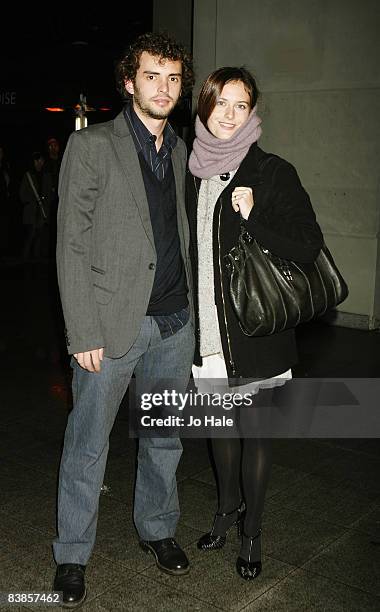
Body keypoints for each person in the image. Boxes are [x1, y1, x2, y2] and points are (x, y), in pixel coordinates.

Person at [53, 32, 195, 607]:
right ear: (130, 82)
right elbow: (71, 243)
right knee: (88, 444)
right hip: (112, 324)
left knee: (165, 438)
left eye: (173, 78)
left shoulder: (182, 150)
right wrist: (81, 330)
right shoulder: (93, 147)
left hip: (176, 324)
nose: (163, 87)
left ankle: (158, 529)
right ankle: (71, 555)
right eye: (152, 76)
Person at [186, 67, 324, 581]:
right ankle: (225, 512)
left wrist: (255, 216)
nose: (228, 113)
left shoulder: (271, 172)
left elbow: (308, 245)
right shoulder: (191, 168)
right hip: (207, 334)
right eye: (220, 102)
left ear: (253, 112)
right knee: (220, 432)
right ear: (205, 106)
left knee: (257, 436)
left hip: (257, 333)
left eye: (240, 105)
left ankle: (253, 532)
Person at [19, 151, 53, 260]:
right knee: (30, 236)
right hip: (32, 212)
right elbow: (22, 195)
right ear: (34, 162)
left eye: (41, 161)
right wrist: (33, 200)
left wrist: (45, 200)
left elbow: (51, 194)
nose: (39, 163)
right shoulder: (28, 175)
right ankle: (25, 260)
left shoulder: (47, 176)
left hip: (43, 212)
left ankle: (37, 262)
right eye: (37, 161)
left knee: (40, 238)